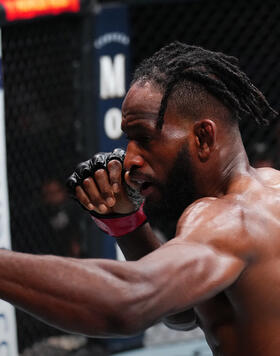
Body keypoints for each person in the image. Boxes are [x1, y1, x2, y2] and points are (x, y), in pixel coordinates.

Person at [0, 42, 279, 356]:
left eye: (145, 138)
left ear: (203, 137)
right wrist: (127, 225)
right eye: (129, 140)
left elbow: (127, 302)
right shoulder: (271, 189)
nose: (130, 158)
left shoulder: (227, 220)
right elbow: (188, 312)